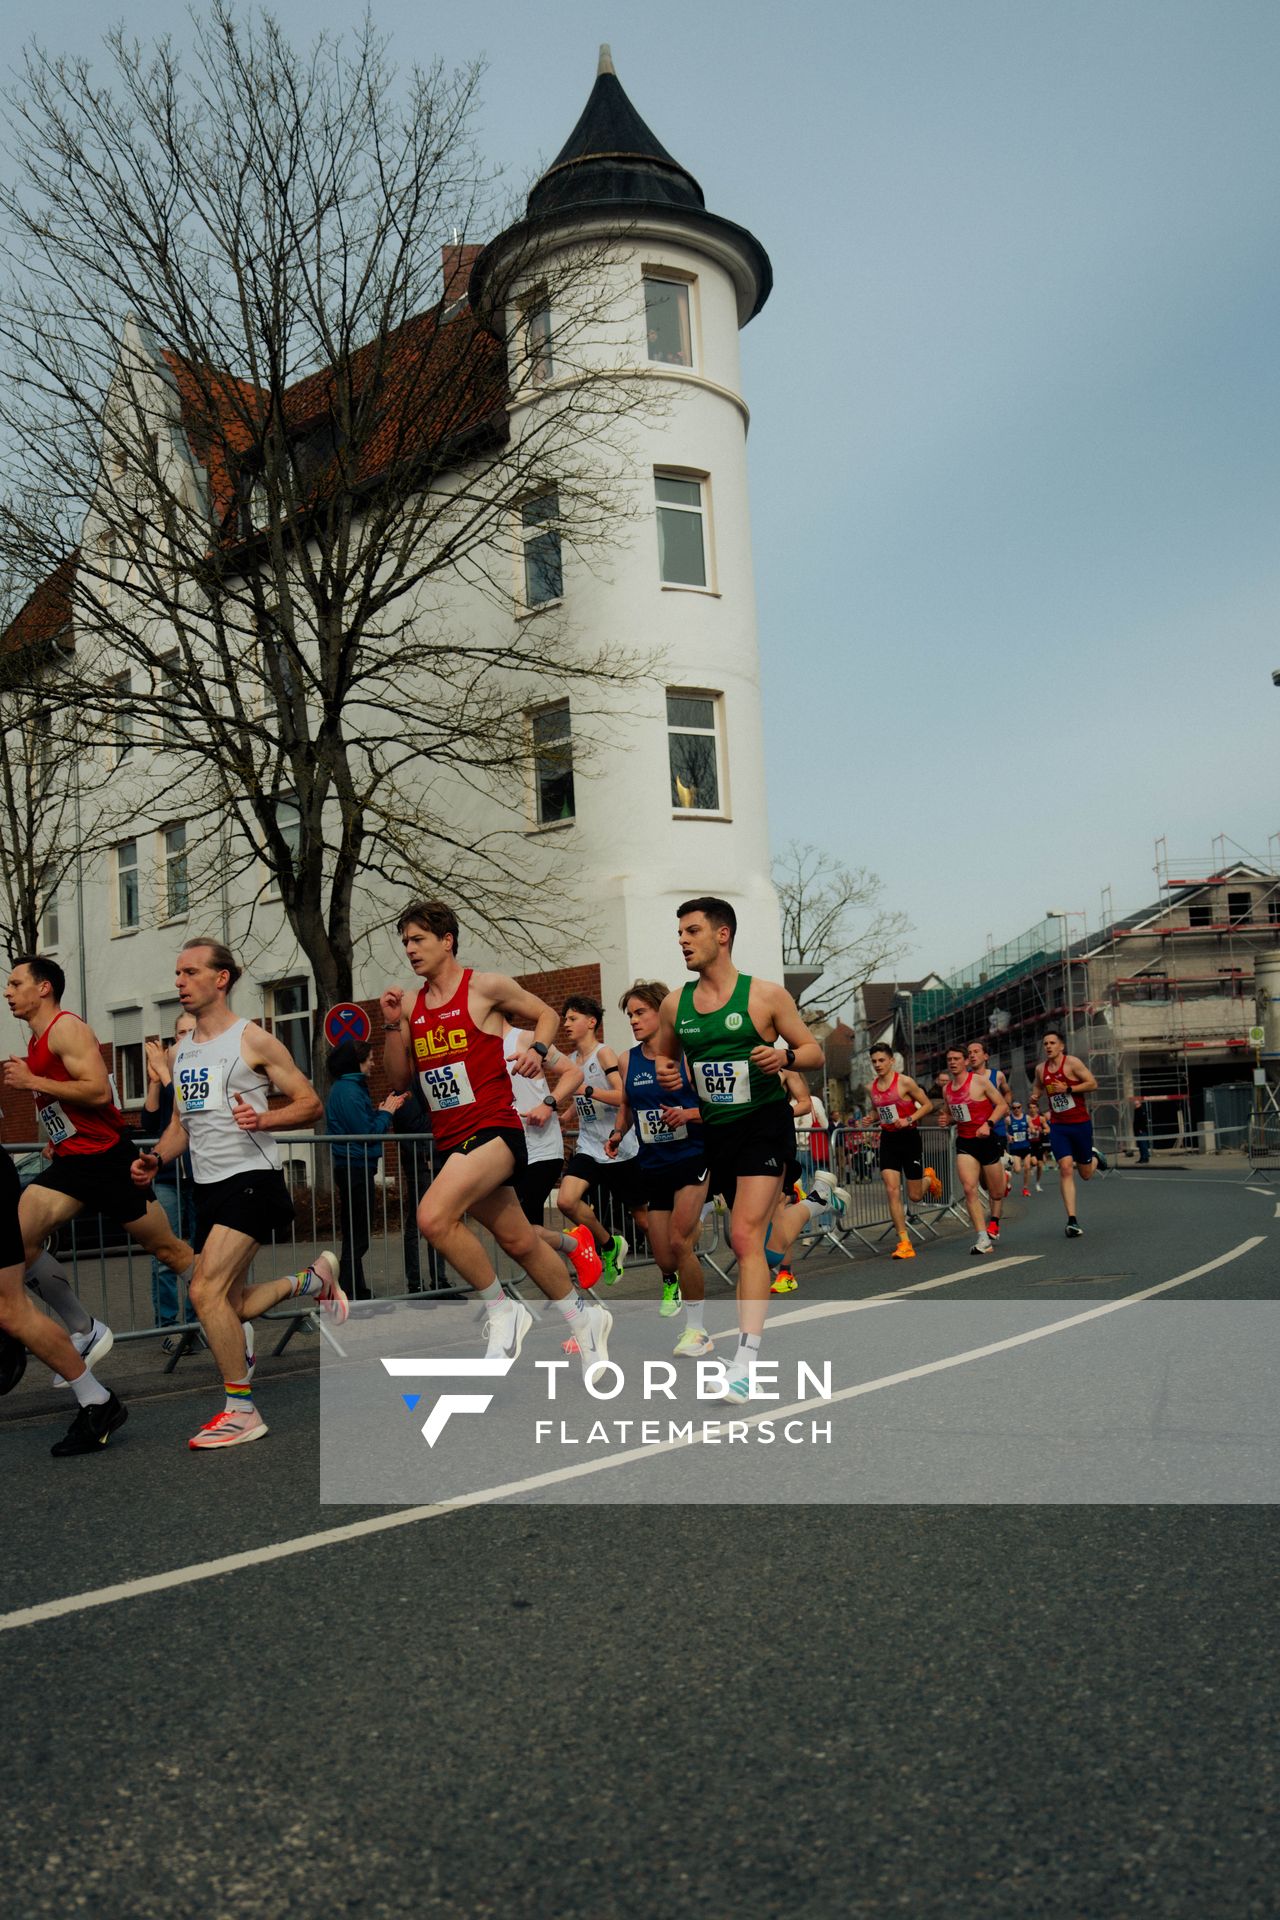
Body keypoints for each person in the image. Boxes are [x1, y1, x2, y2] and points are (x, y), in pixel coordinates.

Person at [380, 900, 612, 1380]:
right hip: (451, 1137)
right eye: (405, 941)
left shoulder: (484, 987)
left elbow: (545, 1013)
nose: (410, 949)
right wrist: (391, 1025)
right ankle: (584, 1318)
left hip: (495, 1129)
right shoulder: (412, 1006)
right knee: (519, 1239)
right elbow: (401, 1078)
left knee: (432, 1216)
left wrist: (541, 1051)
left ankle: (503, 1310)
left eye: (418, 939)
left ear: (447, 940)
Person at [132, 939, 339, 1449]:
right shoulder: (181, 1054)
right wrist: (157, 1157)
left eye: (190, 971)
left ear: (221, 978)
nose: (179, 980)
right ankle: (310, 1281)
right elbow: (183, 1127)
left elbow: (310, 1104)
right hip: (210, 1189)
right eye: (177, 972)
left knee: (203, 1292)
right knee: (231, 1304)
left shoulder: (254, 1039)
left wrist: (264, 1117)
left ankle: (241, 1410)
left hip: (253, 1178)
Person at [2, 953, 196, 1450]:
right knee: (15, 1242)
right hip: (72, 1163)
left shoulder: (67, 1030)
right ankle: (84, 1329)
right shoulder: (36, 1039)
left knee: (168, 1250)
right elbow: (66, 1107)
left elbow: (96, 1092)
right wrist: (54, 1134)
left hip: (109, 1162)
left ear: (44, 988)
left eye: (17, 983)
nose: (8, 992)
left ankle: (223, 1304)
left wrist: (33, 1083)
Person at [653, 896, 823, 1404]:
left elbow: (811, 1051)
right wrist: (668, 1073)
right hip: (718, 1133)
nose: (682, 939)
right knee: (749, 1240)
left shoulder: (764, 997)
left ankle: (745, 1364)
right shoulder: (674, 1005)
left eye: (692, 931)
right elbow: (666, 1059)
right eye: (680, 932)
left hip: (764, 1125)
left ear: (722, 934)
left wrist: (784, 1054)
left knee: (744, 1235)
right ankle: (816, 1207)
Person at [608, 981, 711, 1352]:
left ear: (661, 1013)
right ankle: (695, 1224)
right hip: (653, 1163)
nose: (633, 1021)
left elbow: (715, 1106)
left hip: (690, 1156)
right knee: (665, 1256)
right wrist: (618, 1133)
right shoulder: (626, 1060)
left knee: (679, 1241)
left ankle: (697, 1329)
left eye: (640, 1012)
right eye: (630, 1015)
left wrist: (687, 1114)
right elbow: (626, 1104)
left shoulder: (686, 1056)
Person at [501, 1019, 601, 1289]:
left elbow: (573, 1073)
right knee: (524, 1238)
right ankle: (570, 1266)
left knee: (521, 1233)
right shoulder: (478, 1047)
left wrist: (549, 1103)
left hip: (541, 1150)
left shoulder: (525, 1039)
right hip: (506, 1153)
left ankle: (573, 1250)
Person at [556, 994, 647, 1286]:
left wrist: (588, 1091)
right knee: (566, 1201)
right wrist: (563, 1115)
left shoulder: (604, 1054)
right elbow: (579, 1097)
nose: (566, 1024)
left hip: (618, 1147)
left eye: (572, 1018)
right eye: (565, 1019)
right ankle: (609, 1244)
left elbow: (622, 1095)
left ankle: (675, 1262)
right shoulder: (570, 1061)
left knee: (642, 1218)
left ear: (591, 1022)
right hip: (588, 1145)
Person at [325, 1040, 408, 1302]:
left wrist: (381, 1111)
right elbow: (367, 1134)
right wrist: (387, 1114)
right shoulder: (349, 1090)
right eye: (369, 1059)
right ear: (356, 1063)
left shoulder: (350, 1088)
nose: (373, 1063)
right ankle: (347, 1293)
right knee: (357, 1236)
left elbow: (362, 1123)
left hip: (356, 1166)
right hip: (354, 1167)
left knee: (356, 1235)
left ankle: (356, 1291)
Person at [142, 1013, 198, 1335]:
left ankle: (195, 1323)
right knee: (166, 1251)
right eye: (180, 1033)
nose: (186, 1038)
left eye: (192, 1032)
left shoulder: (196, 1070)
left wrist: (165, 1073)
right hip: (167, 1178)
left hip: (199, 1174)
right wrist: (154, 1079)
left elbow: (187, 1104)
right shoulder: (167, 1072)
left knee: (198, 1252)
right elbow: (150, 1124)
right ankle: (166, 1327)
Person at [1030, 1029, 1106, 1237]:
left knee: (1086, 1174)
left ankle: (1095, 1157)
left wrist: (1069, 1089)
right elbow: (1038, 1086)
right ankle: (1072, 1220)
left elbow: (1092, 1083)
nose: (1048, 1046)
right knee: (1064, 1168)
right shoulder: (1040, 1069)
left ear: (1061, 1046)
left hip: (1080, 1123)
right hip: (1059, 1126)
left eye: (1052, 1043)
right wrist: (1035, 1097)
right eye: (1045, 1043)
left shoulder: (1072, 1063)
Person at [936, 1044, 1009, 1255]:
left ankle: (1003, 1172)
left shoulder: (980, 1082)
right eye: (949, 1059)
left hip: (987, 1140)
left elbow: (1002, 1105)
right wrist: (946, 1119)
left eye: (957, 1058)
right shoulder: (947, 1089)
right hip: (965, 1142)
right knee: (969, 1188)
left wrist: (989, 1124)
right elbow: (953, 1114)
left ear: (966, 1061)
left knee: (996, 1193)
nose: (952, 1062)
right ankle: (983, 1237)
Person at [867, 1043, 933, 1259]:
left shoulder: (905, 1082)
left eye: (881, 1060)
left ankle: (929, 1179)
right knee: (892, 1189)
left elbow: (927, 1105)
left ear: (891, 1060)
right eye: (874, 1061)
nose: (878, 1065)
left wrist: (909, 1119)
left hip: (909, 1138)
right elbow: (879, 1111)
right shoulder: (871, 1087)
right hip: (888, 1139)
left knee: (914, 1196)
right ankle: (904, 1241)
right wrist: (872, 1118)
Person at [390, 1089, 447, 1292]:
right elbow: (414, 1126)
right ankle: (417, 1283)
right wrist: (441, 1114)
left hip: (430, 1161)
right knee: (418, 1223)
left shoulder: (415, 1088)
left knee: (436, 1220)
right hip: (422, 1163)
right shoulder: (407, 1092)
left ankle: (439, 1280)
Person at [965, 1041, 1011, 1237]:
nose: (973, 1055)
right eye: (970, 1053)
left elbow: (1007, 1092)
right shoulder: (965, 1080)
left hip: (996, 1131)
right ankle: (1003, 1178)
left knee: (994, 1188)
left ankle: (994, 1223)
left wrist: (1003, 1108)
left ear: (986, 1056)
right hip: (975, 1134)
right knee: (985, 1184)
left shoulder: (997, 1075)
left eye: (977, 1052)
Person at [1006, 1100, 1034, 1198]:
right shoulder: (1008, 1119)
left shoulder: (1027, 1118)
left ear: (1021, 1108)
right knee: (1017, 1170)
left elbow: (1032, 1128)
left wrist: (1031, 1129)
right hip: (1015, 1148)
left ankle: (1025, 1188)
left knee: (1027, 1167)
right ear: (1012, 1109)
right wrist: (1008, 1136)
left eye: (1018, 1107)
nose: (1016, 1110)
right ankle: (1007, 1177)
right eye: (1014, 1108)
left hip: (1026, 1146)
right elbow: (1003, 1131)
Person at [1133, 1096, 1151, 1165]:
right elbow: (1135, 1121)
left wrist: (1141, 1129)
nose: (1135, 1103)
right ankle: (1141, 1158)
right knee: (1140, 1145)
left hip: (1142, 1131)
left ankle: (1145, 1158)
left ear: (1139, 1102)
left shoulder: (1141, 1110)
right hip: (1137, 1131)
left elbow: (1143, 1121)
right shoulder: (1136, 1110)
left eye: (1136, 1102)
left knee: (1144, 1145)